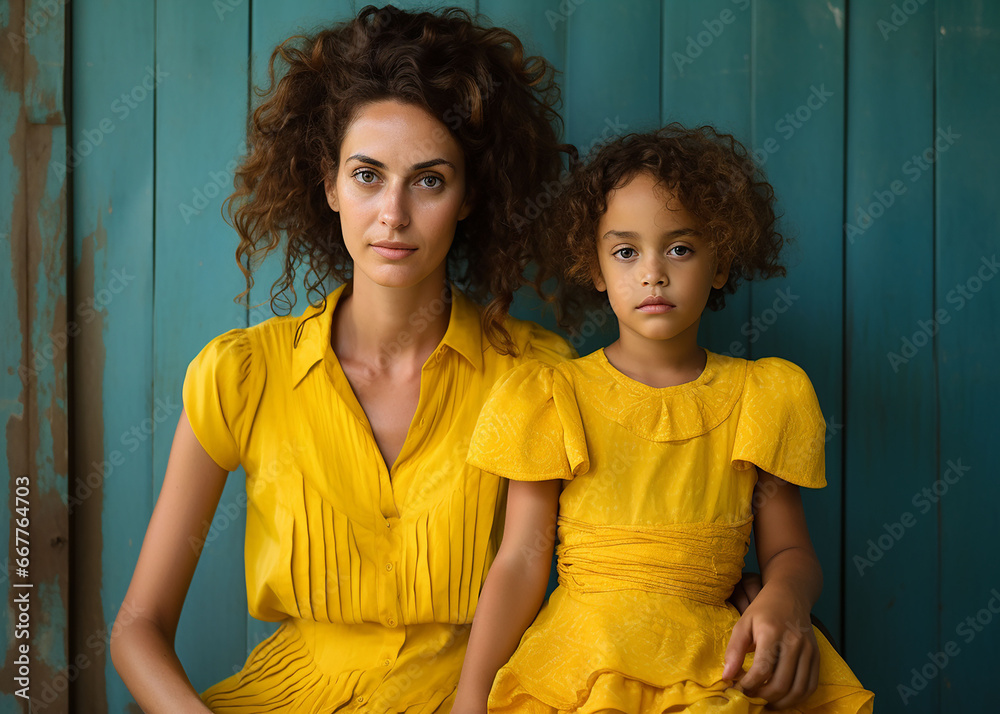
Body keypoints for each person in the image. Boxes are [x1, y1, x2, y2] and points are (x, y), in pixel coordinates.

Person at [108, 5, 580, 712]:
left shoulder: (535, 375)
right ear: (328, 184)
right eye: (367, 176)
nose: (393, 213)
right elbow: (136, 630)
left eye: (428, 180)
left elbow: (626, 549)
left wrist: (764, 585)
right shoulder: (244, 375)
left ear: (470, 196)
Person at [452, 125, 876, 713]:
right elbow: (522, 559)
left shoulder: (764, 394)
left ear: (721, 261)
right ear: (595, 268)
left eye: (680, 248)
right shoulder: (552, 394)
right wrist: (470, 699)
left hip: (711, 660)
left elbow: (790, 552)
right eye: (626, 252)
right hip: (583, 660)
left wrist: (786, 596)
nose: (653, 272)